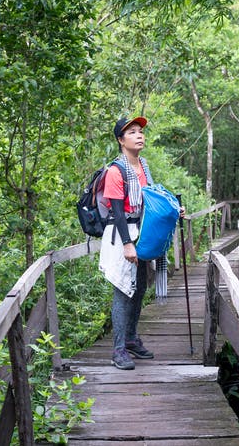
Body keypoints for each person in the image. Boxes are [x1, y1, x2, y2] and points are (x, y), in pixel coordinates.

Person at [97, 116, 156, 370]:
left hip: (141, 233)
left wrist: (175, 209)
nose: (139, 135)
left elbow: (152, 198)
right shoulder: (115, 170)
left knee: (140, 287)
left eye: (140, 131)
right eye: (132, 132)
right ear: (121, 140)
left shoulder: (143, 166)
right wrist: (127, 244)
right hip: (122, 235)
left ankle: (131, 339)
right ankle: (118, 350)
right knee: (123, 291)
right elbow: (118, 211)